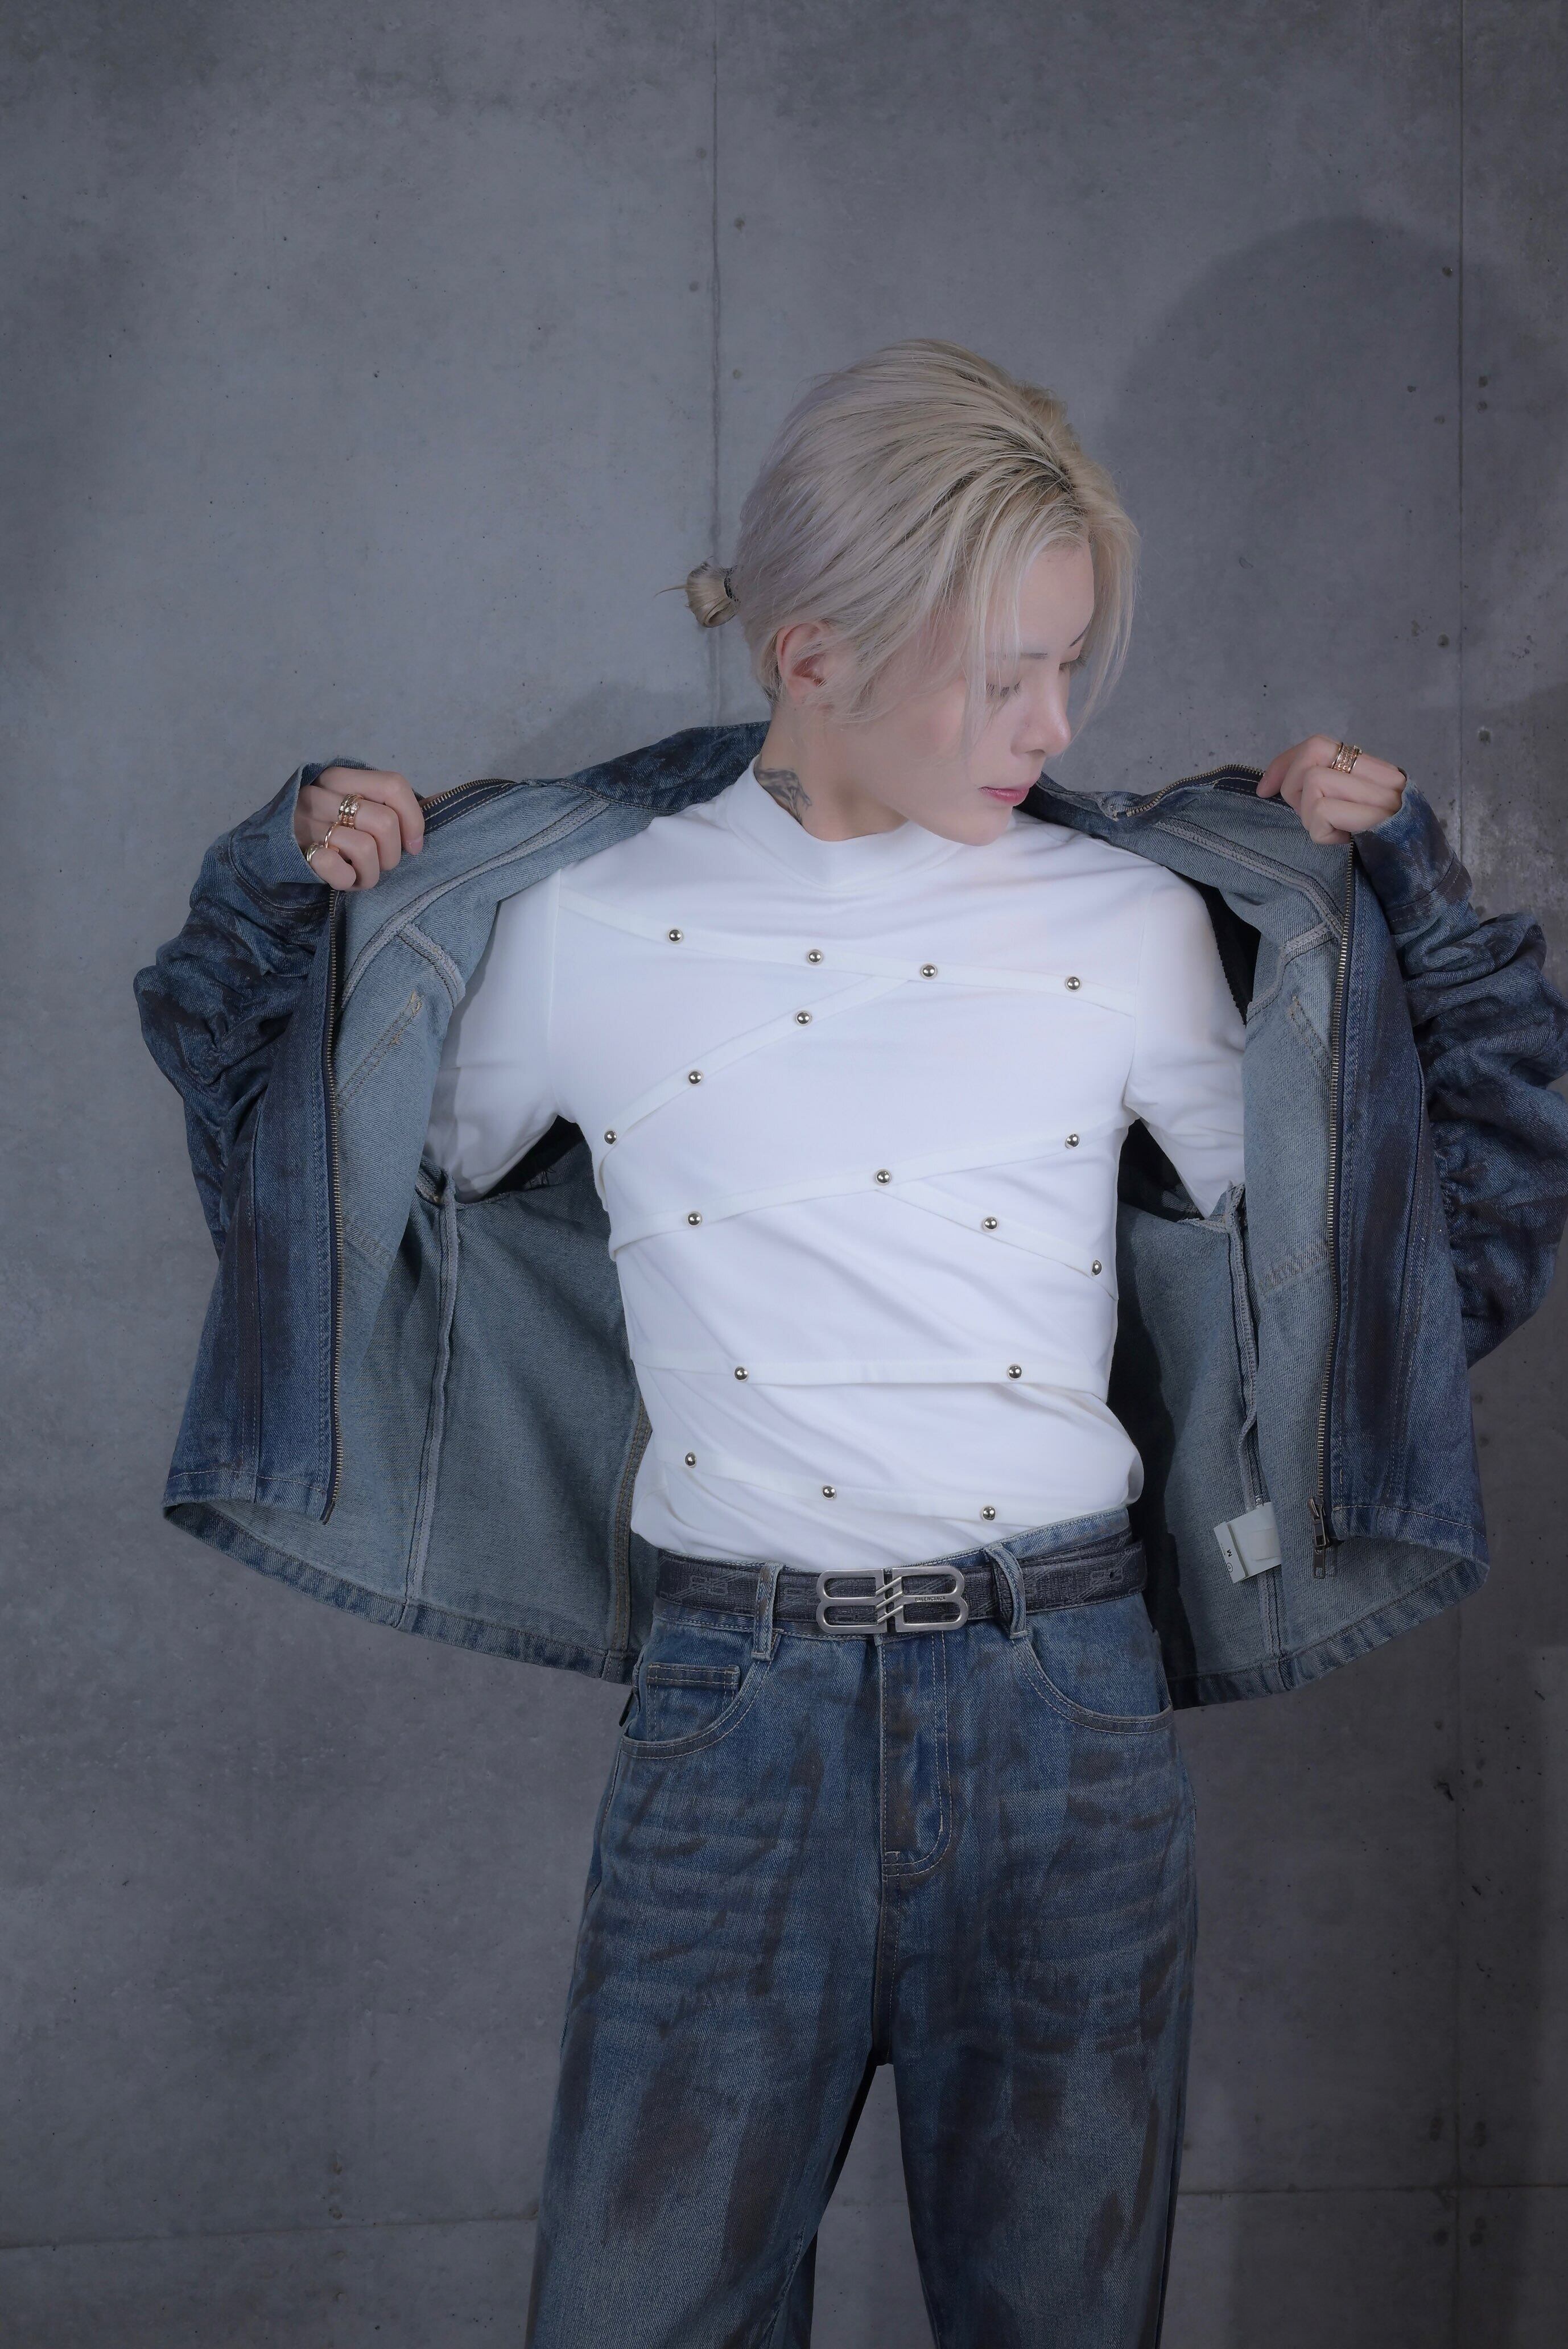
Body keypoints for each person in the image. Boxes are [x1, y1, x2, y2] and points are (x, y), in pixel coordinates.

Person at [134, 341, 1568, 2348]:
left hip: (1067, 1710)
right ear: (812, 655)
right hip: (731, 1717)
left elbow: (1388, 1264)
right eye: (1003, 676)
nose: (1052, 725)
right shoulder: (579, 920)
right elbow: (310, 1183)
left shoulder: (1130, 919)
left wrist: (1401, 887)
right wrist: (286, 890)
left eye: (1069, 668)